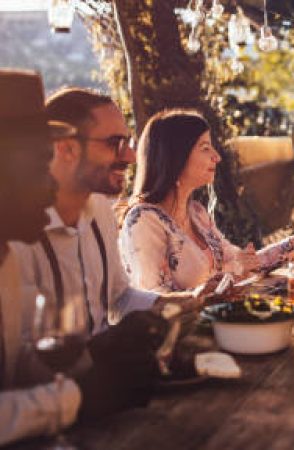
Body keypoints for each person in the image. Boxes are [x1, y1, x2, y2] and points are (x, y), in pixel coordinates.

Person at [0, 69, 168, 446]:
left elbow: (17, 365)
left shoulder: (5, 261)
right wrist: (77, 396)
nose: (49, 190)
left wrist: (100, 357)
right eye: (35, 169)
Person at [9, 88, 196, 335]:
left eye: (127, 142)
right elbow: (19, 356)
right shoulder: (17, 237)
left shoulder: (100, 209)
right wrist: (100, 355)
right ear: (66, 149)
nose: (130, 157)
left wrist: (182, 302)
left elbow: (119, 297)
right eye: (115, 143)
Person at [118, 109, 294, 292]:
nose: (217, 157)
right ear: (176, 157)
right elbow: (154, 300)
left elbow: (249, 264)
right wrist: (233, 270)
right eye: (205, 148)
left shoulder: (197, 214)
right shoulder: (144, 220)